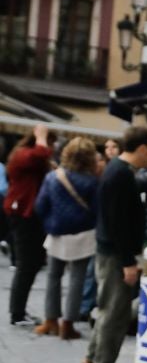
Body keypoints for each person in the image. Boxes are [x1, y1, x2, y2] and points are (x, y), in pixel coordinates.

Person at [85, 124, 147, 363]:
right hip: (115, 254)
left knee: (107, 308)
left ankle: (92, 359)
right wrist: (128, 261)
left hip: (109, 249)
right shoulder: (121, 175)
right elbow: (119, 223)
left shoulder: (118, 170)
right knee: (115, 312)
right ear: (143, 148)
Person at [33, 136, 99, 340]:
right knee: (77, 280)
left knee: (53, 277)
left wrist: (50, 223)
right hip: (83, 233)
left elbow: (40, 206)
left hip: (57, 232)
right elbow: (97, 210)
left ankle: (50, 320)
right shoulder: (93, 182)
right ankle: (68, 325)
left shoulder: (53, 177)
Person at [4, 126, 56, 325]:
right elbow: (40, 153)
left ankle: (19, 311)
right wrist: (41, 136)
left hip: (30, 215)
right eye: (50, 143)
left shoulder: (29, 158)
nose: (50, 148)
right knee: (26, 265)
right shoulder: (23, 154)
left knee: (32, 263)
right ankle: (17, 314)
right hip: (23, 215)